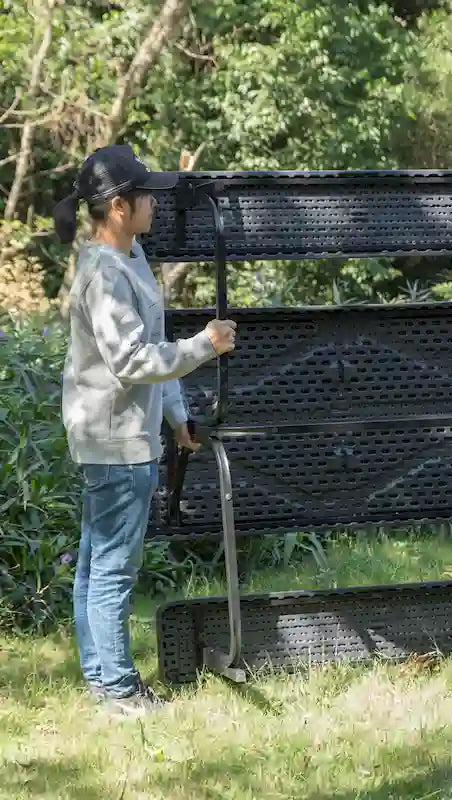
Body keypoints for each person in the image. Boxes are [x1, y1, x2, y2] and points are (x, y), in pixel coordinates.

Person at [54, 144, 237, 717]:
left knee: (94, 565)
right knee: (112, 570)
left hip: (122, 434)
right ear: (117, 207)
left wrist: (177, 416)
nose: (155, 204)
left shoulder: (131, 256)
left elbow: (153, 343)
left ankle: (99, 678)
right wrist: (204, 346)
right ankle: (120, 690)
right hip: (114, 442)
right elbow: (132, 361)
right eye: (146, 196)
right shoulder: (104, 276)